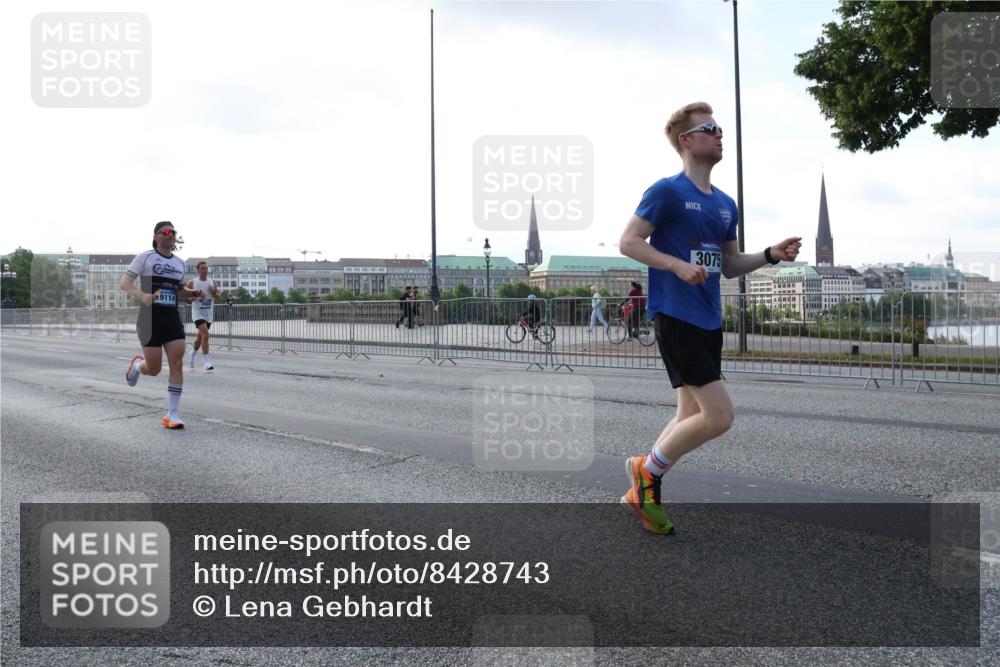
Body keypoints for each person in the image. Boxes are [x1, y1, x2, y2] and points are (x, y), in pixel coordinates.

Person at [618, 102, 801, 534]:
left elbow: (731, 264)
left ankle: (644, 477)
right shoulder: (665, 191)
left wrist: (772, 255)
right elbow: (628, 241)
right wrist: (675, 265)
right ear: (687, 140)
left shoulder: (724, 204)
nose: (720, 135)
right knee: (719, 417)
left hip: (709, 320)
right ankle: (647, 474)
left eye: (719, 129)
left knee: (688, 416)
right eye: (711, 128)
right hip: (675, 315)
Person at [120, 221, 206, 429]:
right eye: (166, 232)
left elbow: (178, 290)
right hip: (149, 319)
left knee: (177, 363)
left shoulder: (179, 263)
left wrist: (192, 293)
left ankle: (173, 414)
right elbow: (125, 283)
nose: (171, 235)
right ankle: (138, 366)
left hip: (171, 317)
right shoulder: (146, 257)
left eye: (174, 232)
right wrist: (143, 295)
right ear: (156, 236)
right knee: (155, 368)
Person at [187, 261, 219, 370]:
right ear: (198, 270)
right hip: (197, 313)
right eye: (202, 268)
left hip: (208, 313)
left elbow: (218, 296)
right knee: (206, 335)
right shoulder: (192, 282)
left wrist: (213, 291)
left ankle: (192, 355)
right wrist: (196, 297)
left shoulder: (212, 281)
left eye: (206, 268)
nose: (205, 270)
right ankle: (207, 362)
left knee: (200, 338)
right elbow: (187, 298)